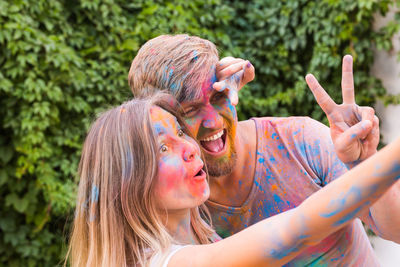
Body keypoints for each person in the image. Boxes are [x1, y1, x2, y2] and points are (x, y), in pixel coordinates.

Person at [128, 34, 400, 265]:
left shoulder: (298, 140)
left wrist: (365, 161)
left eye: (218, 97)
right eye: (190, 111)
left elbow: (395, 229)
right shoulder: (174, 203)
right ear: (163, 123)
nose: (212, 121)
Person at [66, 93, 400, 266]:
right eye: (163, 147)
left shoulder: (198, 237)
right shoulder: (167, 262)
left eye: (180, 131)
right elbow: (297, 229)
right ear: (126, 184)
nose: (190, 147)